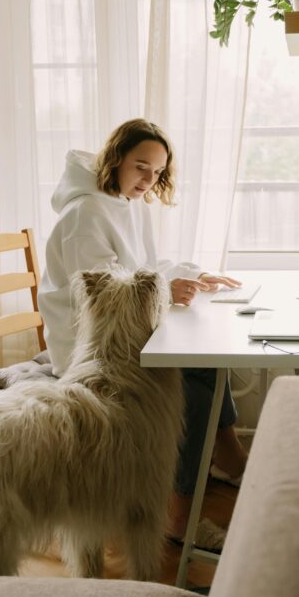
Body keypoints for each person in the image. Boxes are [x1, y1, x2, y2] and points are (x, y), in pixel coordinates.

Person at [38, 118, 248, 550]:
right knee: (191, 388)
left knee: (208, 359)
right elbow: (100, 297)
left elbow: (144, 267)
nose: (149, 180)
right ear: (115, 158)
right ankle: (177, 516)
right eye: (141, 167)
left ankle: (228, 459)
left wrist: (194, 274)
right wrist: (165, 290)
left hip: (124, 332)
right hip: (89, 347)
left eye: (157, 172)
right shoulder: (84, 215)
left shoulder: (127, 202)